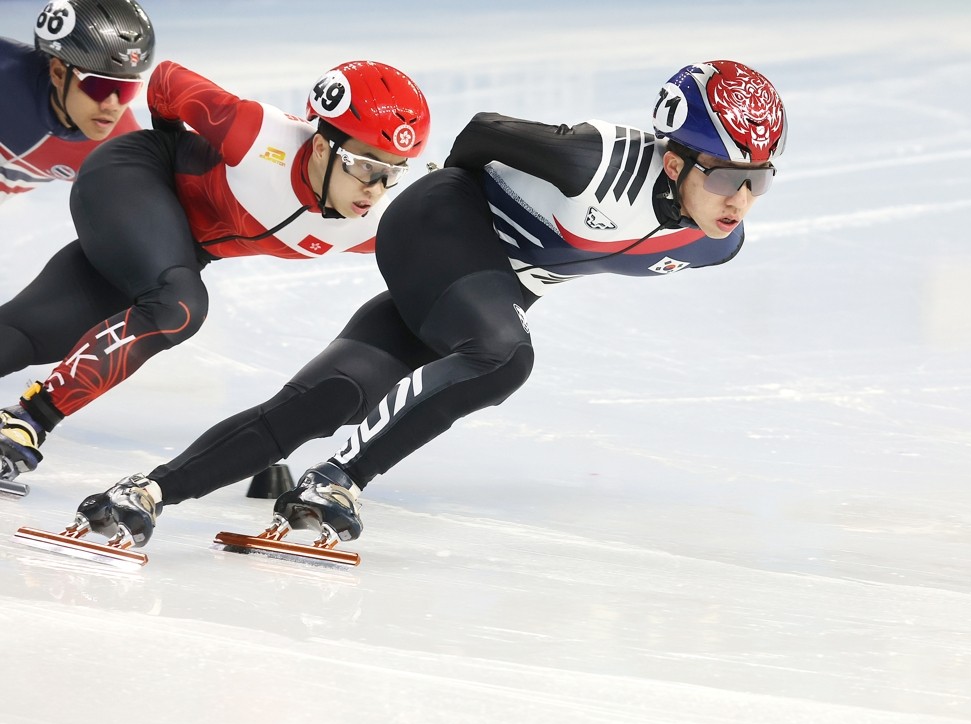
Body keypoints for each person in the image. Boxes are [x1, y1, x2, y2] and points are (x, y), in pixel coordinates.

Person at [71, 59, 787, 550]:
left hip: (483, 288)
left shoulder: (717, 242)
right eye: (728, 176)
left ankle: (147, 492)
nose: (742, 200)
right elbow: (478, 133)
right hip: (440, 224)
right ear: (673, 161)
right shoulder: (592, 161)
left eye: (760, 180)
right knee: (503, 356)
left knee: (332, 398)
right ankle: (337, 479)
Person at [0, 57, 431, 485]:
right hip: (132, 177)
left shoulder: (372, 222)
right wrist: (174, 150)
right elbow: (167, 80)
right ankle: (30, 419)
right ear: (321, 147)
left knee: (28, 335)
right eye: (365, 167)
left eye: (392, 173)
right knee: (178, 306)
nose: (373, 190)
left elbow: (441, 247)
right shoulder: (257, 134)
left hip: (173, 253)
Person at [1, 0, 153, 206]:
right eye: (98, 86)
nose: (112, 105)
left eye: (127, 89)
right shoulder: (7, 73)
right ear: (59, 73)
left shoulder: (121, 148)